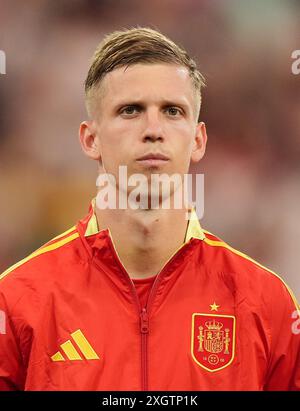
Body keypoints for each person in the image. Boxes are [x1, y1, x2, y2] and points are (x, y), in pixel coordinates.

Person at [0, 27, 299, 391]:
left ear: (198, 139)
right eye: (131, 111)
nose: (153, 129)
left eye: (172, 111)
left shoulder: (267, 304)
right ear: (90, 139)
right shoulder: (16, 302)